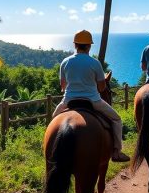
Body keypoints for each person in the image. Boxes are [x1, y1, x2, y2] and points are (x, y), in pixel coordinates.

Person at [53, 30, 130, 162]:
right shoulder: (95, 63)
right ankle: (117, 152)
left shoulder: (65, 62)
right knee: (117, 119)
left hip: (68, 100)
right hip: (93, 100)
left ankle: (50, 151)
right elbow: (101, 88)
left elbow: (63, 86)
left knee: (53, 121)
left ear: (75, 44)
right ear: (89, 46)